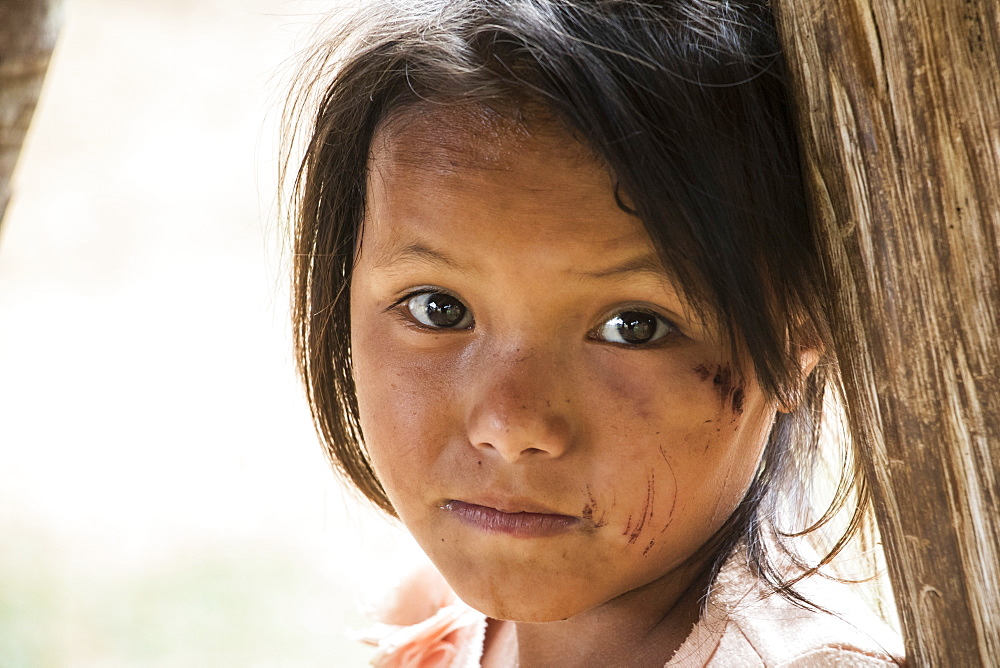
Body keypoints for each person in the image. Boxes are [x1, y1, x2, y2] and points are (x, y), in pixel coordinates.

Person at [283, 0, 905, 665]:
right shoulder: (434, 624)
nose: (509, 423)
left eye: (632, 327)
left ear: (796, 335)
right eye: (438, 308)